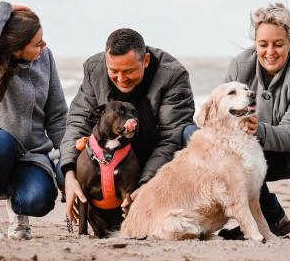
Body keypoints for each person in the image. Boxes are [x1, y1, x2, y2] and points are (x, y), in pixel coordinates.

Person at [204, 3, 290, 240]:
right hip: (264, 134)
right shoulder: (240, 65)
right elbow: (223, 114)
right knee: (224, 152)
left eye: (278, 44)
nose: (270, 51)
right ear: (255, 44)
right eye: (263, 44)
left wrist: (256, 130)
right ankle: (273, 219)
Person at [59, 28, 195, 225]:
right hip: (105, 166)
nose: (121, 79)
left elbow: (171, 137)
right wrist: (69, 175)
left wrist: (146, 184)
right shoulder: (94, 68)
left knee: (190, 135)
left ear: (145, 60)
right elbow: (78, 121)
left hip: (152, 162)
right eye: (114, 71)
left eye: (129, 71)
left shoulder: (173, 75)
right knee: (61, 165)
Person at [0, 2, 68, 240]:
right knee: (1, 140)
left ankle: (18, 212)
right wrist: (3, 8)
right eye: (37, 43)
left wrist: (68, 159)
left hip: (30, 156)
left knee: (39, 201)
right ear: (16, 49)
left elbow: (57, 114)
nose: (44, 46)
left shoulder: (45, 58)